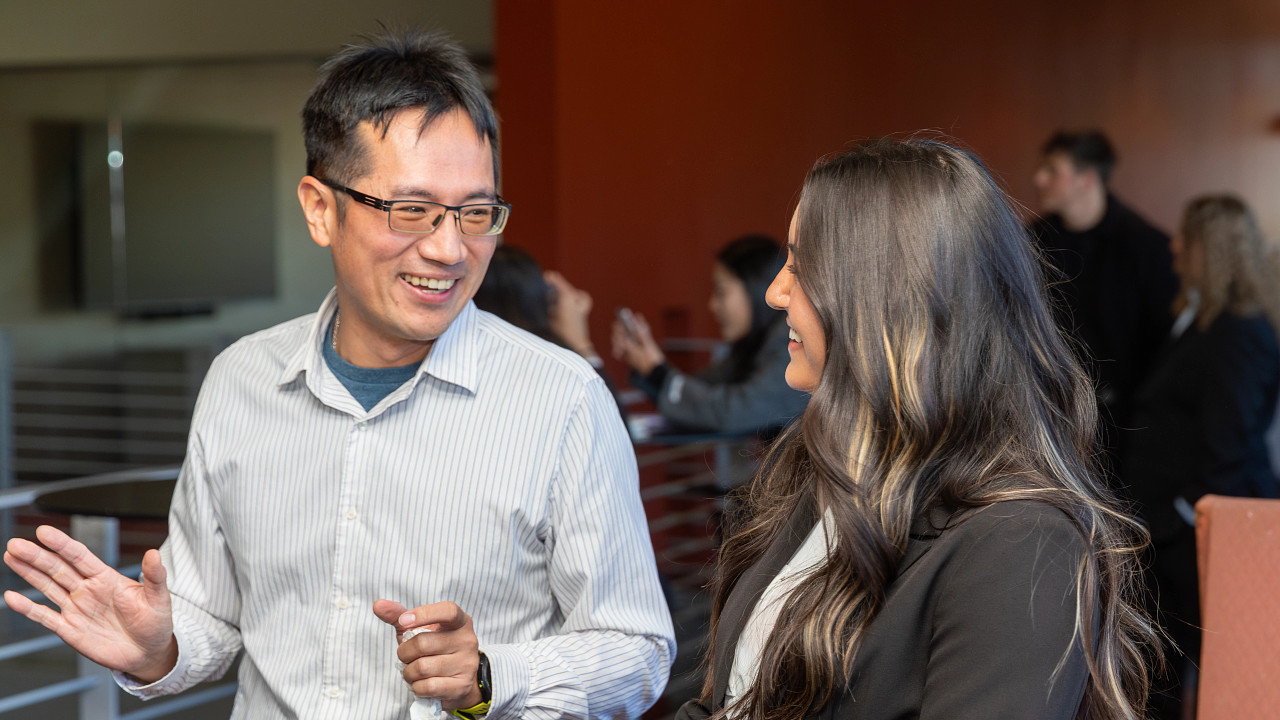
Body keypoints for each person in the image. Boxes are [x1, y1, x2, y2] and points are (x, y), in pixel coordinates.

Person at [3, 29, 674, 720]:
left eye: (476, 212)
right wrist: (160, 649)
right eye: (411, 210)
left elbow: (638, 648)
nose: (450, 249)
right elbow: (211, 610)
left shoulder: (562, 400)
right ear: (321, 209)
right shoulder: (242, 380)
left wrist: (488, 674)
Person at [678, 138, 1159, 720]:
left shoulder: (1021, 545)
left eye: (801, 266)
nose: (776, 293)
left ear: (885, 300)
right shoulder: (823, 467)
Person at [1120, 194, 1280, 720]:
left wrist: (1177, 516)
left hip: (1195, 534)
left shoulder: (1238, 333)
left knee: (1202, 672)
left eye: (1184, 238)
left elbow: (1230, 447)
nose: (1173, 246)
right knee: (1161, 672)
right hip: (1171, 532)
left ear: (1208, 250)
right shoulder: (1198, 320)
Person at [1029, 130, 1177, 461]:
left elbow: (1165, 345)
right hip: (1049, 417)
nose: (1038, 179)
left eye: (1052, 170)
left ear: (1088, 178)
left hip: (1129, 428)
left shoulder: (1148, 248)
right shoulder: (1030, 242)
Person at [611, 235, 808, 435]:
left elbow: (732, 411)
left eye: (721, 292)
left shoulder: (790, 340)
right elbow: (703, 394)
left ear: (757, 288)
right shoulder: (754, 345)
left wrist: (655, 371)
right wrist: (648, 367)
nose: (712, 305)